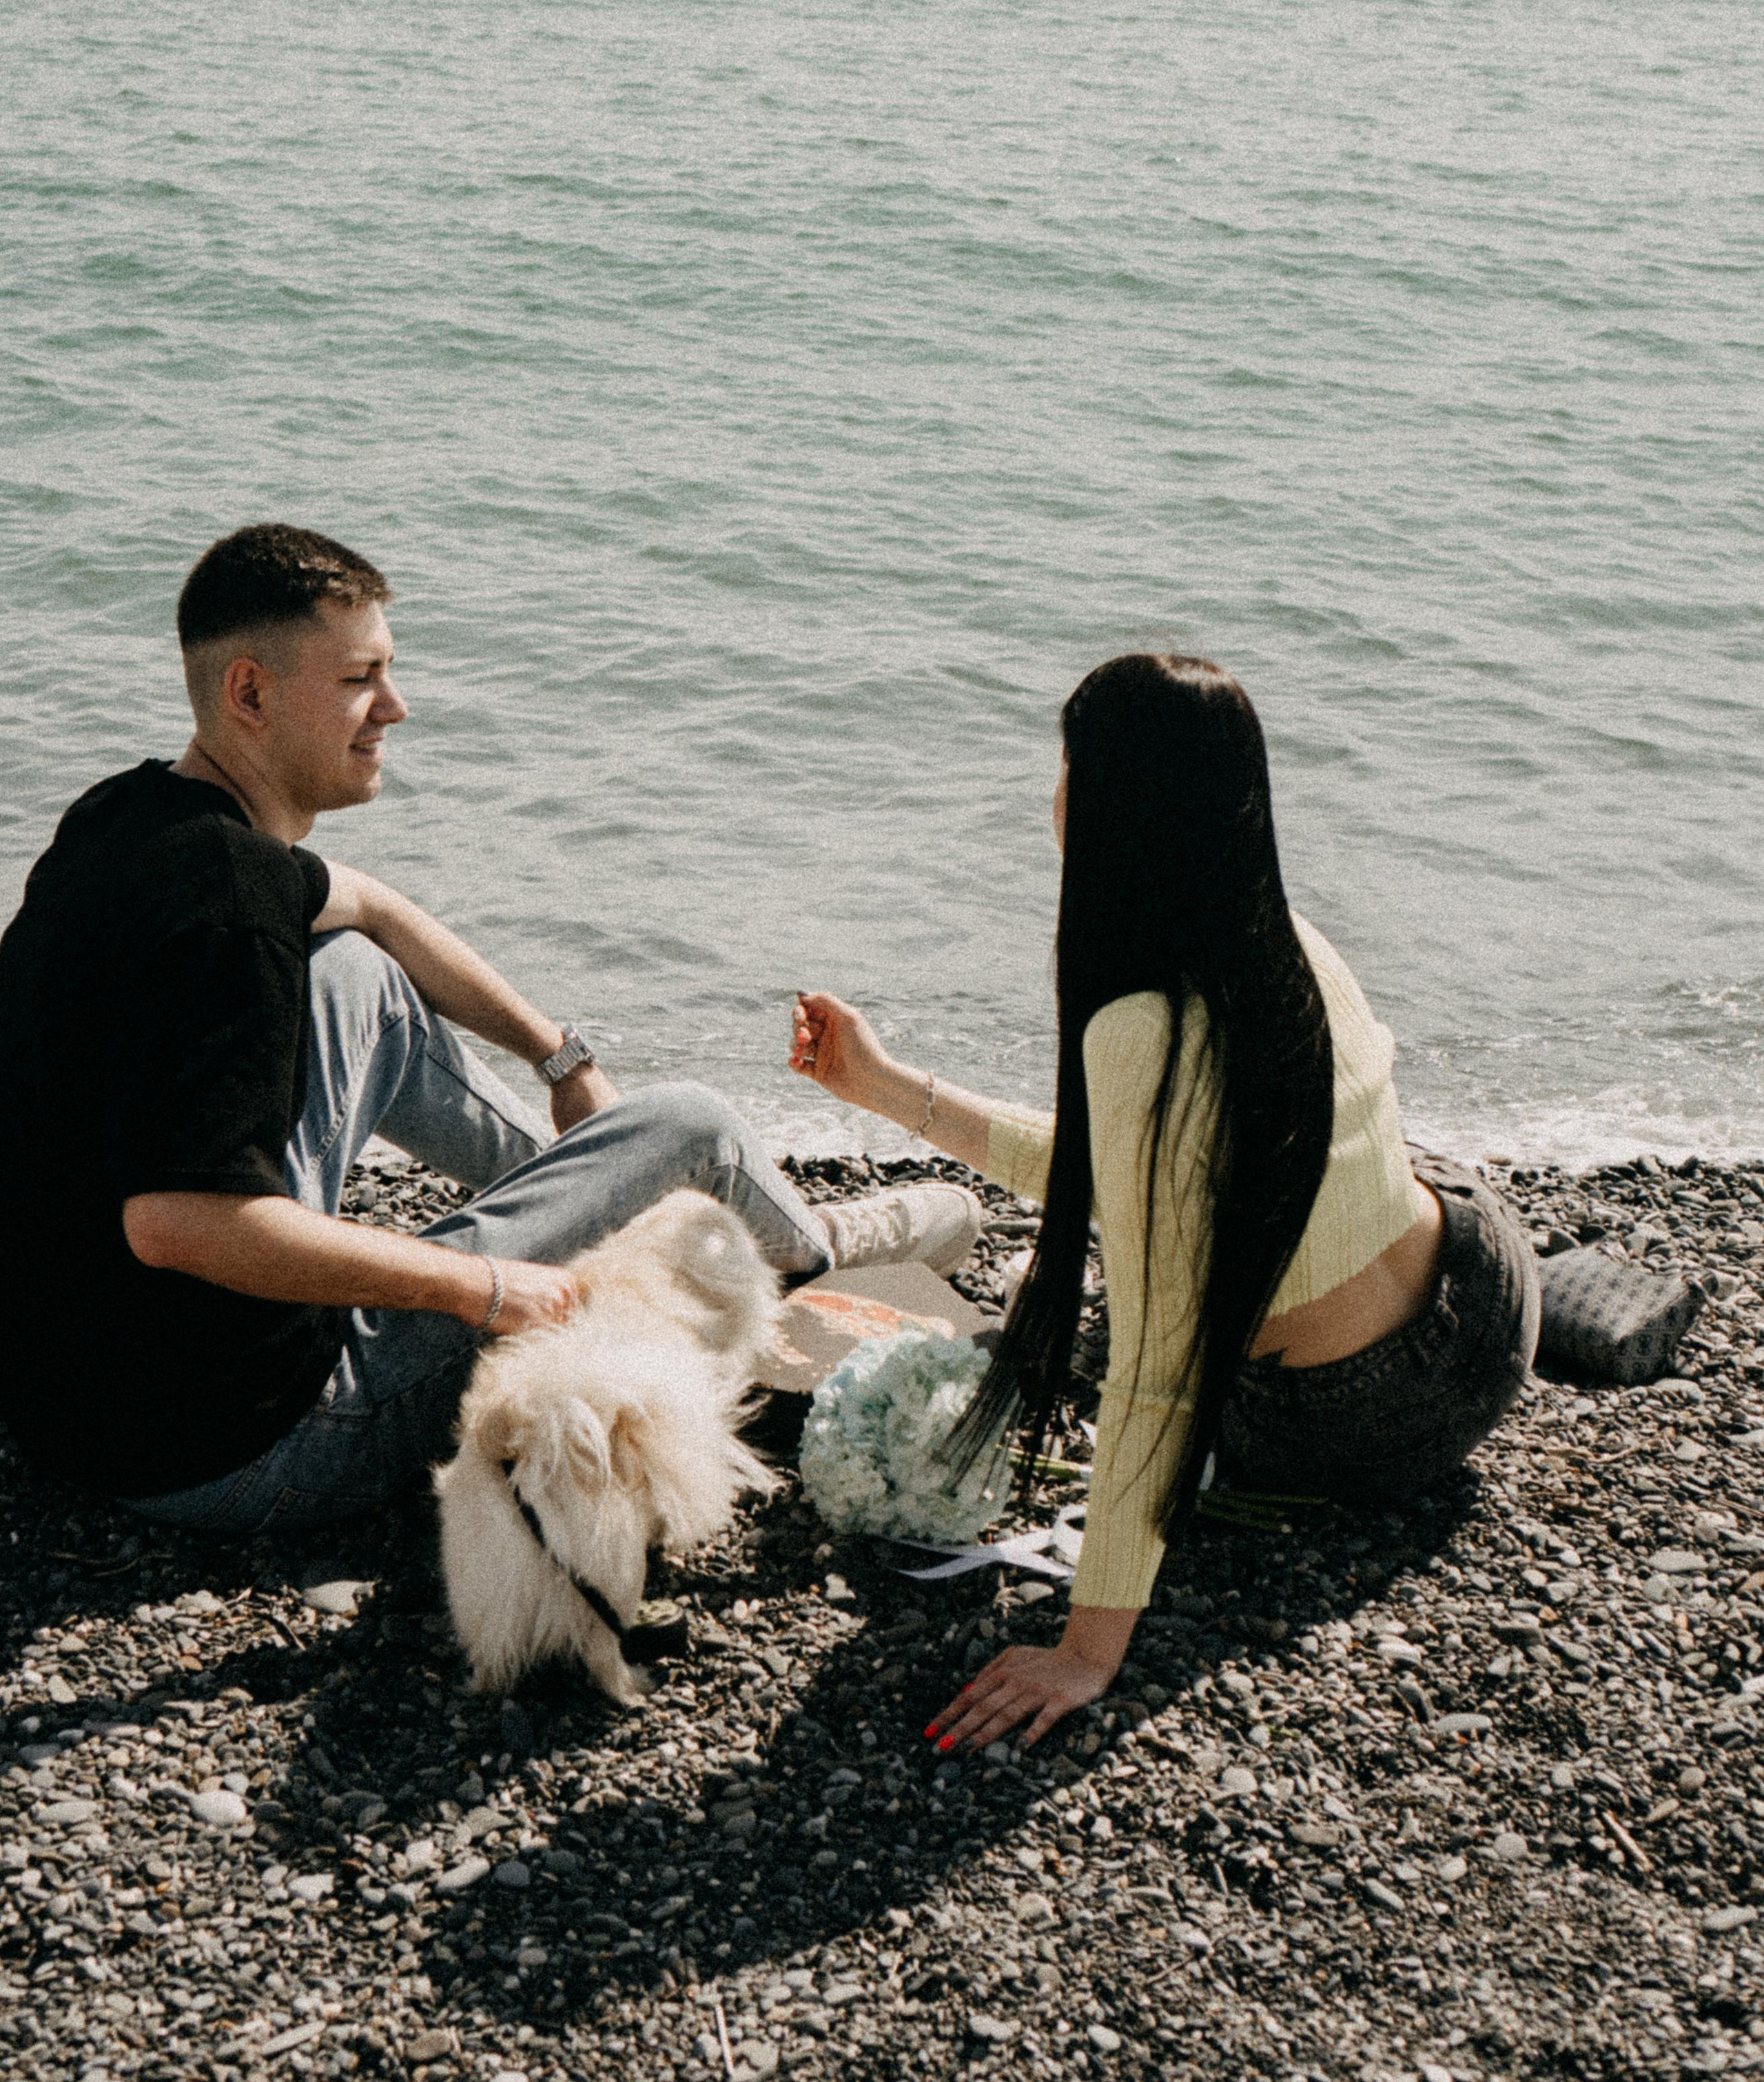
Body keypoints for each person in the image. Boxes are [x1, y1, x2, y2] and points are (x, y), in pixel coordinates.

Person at [0, 522, 976, 1536]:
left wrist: (558, 1054)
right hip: (244, 1449)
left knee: (358, 973)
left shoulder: (131, 818)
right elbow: (179, 1223)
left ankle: (601, 1201)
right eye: (360, 679)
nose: (396, 706)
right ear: (250, 694)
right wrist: (486, 1286)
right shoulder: (234, 919)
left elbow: (375, 908)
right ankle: (811, 1245)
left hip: (73, 1398)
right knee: (689, 1121)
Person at [790, 653, 1539, 1752]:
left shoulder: (1141, 1030)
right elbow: (1138, 1168)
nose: (1050, 793)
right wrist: (890, 1090)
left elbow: (1159, 1373)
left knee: (1091, 1334)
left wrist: (1088, 1651)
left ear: (1110, 807)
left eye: (1065, 768)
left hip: (1354, 1429)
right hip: (1485, 1289)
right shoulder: (1287, 938)